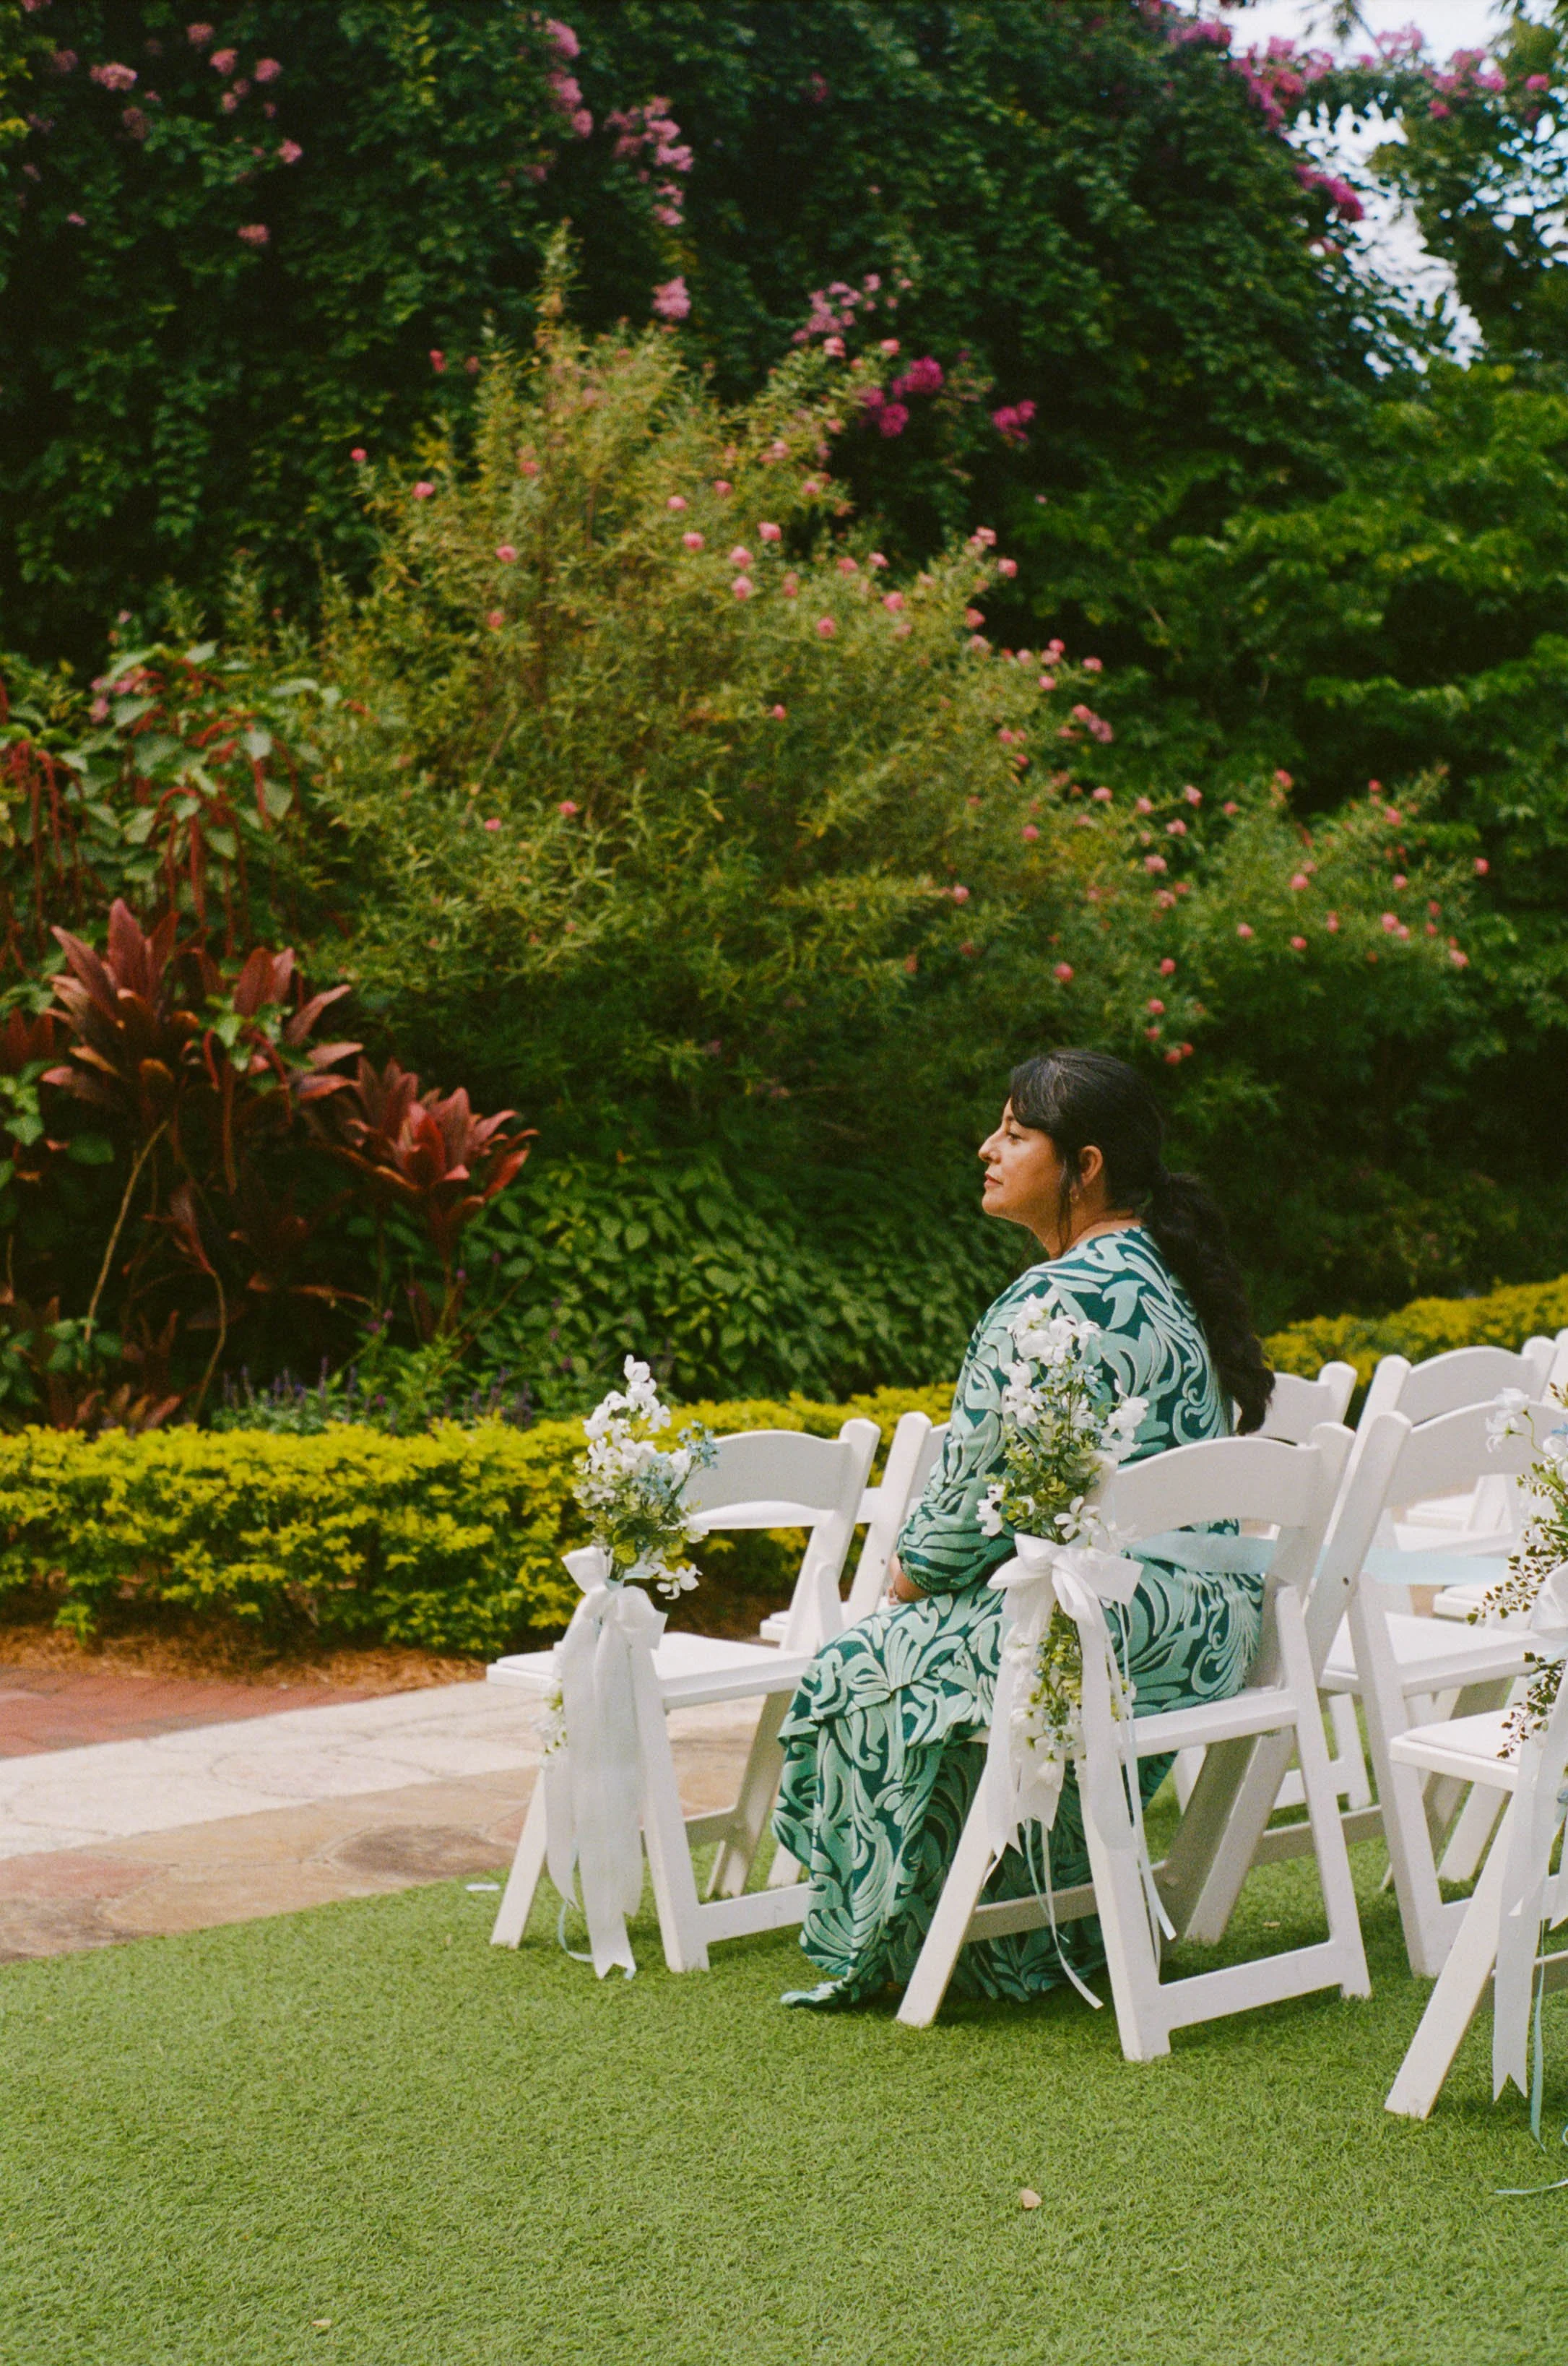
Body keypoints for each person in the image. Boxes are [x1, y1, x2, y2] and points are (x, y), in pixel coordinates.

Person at [771, 1047, 1274, 2008]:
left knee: (857, 1664)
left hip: (1109, 1639)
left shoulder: (1048, 1300)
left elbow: (959, 1517)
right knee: (947, 1649)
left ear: (1082, 1165)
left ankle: (908, 1941)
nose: (985, 1147)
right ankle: (1023, 1933)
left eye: (1013, 1131)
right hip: (1205, 1631)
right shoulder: (1171, 1277)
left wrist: (905, 1584)